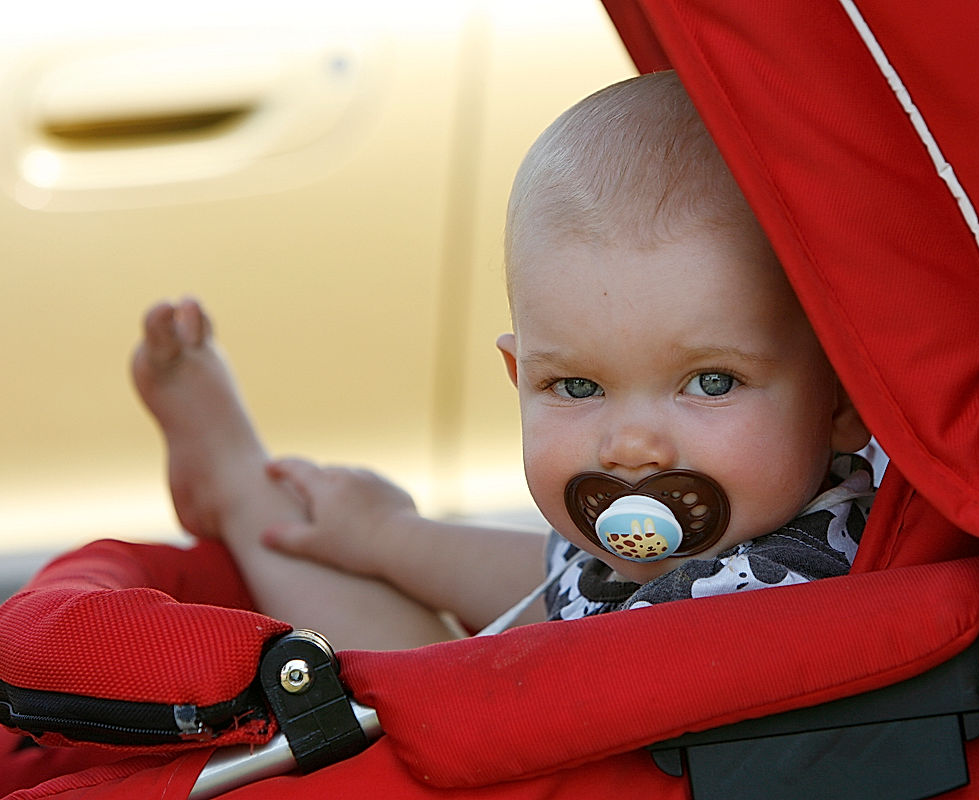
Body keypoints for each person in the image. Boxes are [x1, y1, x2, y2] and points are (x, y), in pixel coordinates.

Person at [131, 70, 873, 649]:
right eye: (578, 386)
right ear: (521, 379)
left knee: (380, 686)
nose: (630, 445)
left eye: (712, 382)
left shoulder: (811, 587)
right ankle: (248, 494)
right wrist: (390, 538)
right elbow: (556, 582)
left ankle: (236, 488)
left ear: (841, 399)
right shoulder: (698, 534)